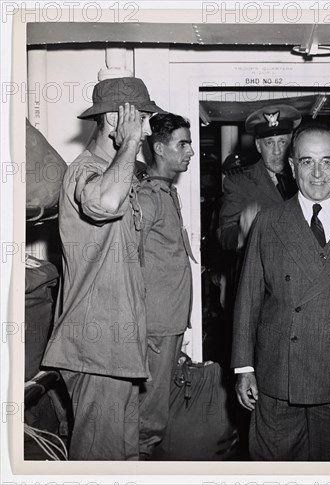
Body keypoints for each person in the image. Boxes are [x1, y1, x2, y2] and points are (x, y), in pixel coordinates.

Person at [231, 122, 330, 461]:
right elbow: (248, 300)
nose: (317, 173)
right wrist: (243, 367)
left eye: (327, 161)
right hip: (279, 374)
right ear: (292, 165)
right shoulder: (269, 223)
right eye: (307, 162)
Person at [42, 77, 167, 460]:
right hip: (95, 349)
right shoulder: (85, 169)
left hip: (116, 349)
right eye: (140, 119)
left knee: (122, 458)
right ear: (116, 118)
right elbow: (105, 204)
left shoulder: (116, 169)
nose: (145, 130)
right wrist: (130, 142)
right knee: (100, 461)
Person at [135, 113, 197, 459]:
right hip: (155, 328)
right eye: (182, 144)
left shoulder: (166, 193)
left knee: (156, 411)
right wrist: (143, 327)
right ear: (160, 148)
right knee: (149, 418)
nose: (190, 151)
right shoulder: (149, 197)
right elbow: (127, 259)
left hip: (167, 323)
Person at [218, 104, 301, 252]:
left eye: (282, 142)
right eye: (269, 143)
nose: (277, 151)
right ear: (258, 145)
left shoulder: (305, 177)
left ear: (292, 143)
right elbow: (226, 236)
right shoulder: (238, 182)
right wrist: (243, 233)